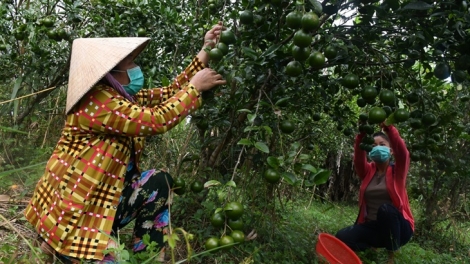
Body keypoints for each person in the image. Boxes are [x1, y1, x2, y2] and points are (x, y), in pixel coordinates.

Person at [25, 23, 226, 263]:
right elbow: (156, 120)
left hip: (105, 201)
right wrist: (194, 88)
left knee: (158, 182)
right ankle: (58, 244)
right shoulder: (98, 102)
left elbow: (169, 92)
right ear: (111, 72)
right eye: (130, 62)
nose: (135, 68)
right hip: (76, 214)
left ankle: (147, 254)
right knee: (117, 260)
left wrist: (205, 50)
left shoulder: (122, 95)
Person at [335, 123, 414, 263]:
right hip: (374, 227)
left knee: (386, 209)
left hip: (400, 229)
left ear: (390, 150)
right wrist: (361, 137)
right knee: (341, 237)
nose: (377, 148)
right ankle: (371, 247)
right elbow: (358, 159)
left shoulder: (398, 171)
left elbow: (403, 154)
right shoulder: (367, 172)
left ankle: (392, 256)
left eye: (382, 144)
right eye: (373, 145)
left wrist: (389, 128)